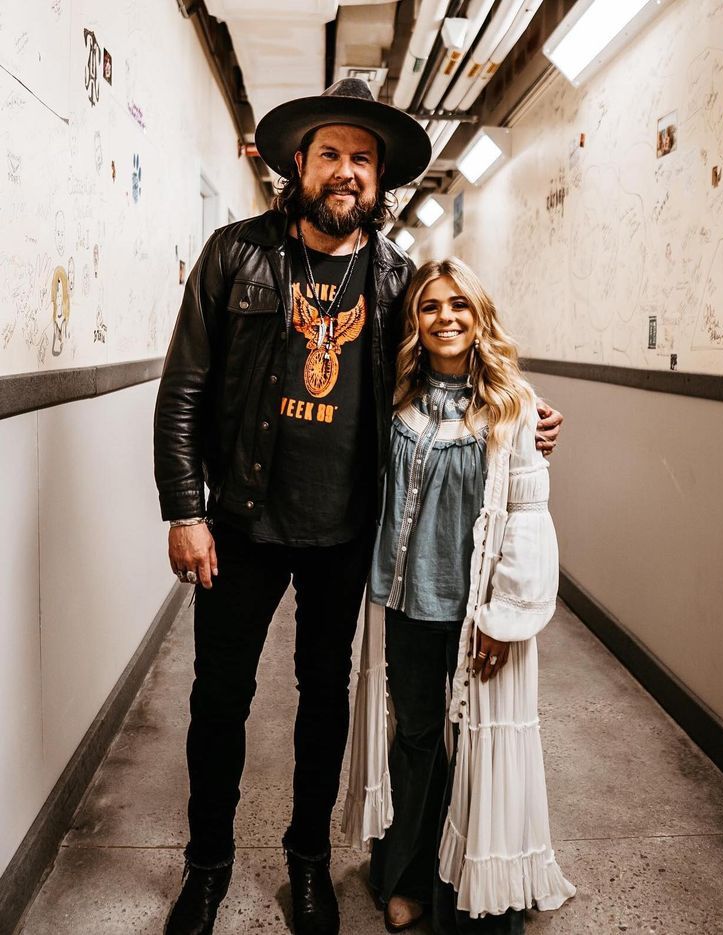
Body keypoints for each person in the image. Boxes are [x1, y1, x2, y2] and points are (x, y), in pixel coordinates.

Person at [154, 79, 564, 935]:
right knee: (218, 696)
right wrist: (185, 508)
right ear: (297, 164)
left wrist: (519, 412)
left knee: (324, 697)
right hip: (241, 521)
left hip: (347, 531)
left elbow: (452, 364)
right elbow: (185, 387)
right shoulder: (235, 255)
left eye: (363, 160)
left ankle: (308, 861)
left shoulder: (396, 280)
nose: (347, 173)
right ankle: (207, 865)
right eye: (332, 154)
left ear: (381, 181)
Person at [343, 258, 575, 934]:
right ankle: (408, 876)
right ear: (413, 322)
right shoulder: (395, 398)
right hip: (409, 603)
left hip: (479, 612)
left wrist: (507, 616)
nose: (445, 317)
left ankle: (478, 882)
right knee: (416, 738)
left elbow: (529, 519)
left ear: (480, 318)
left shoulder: (513, 404)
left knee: (480, 742)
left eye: (459, 306)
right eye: (430, 307)